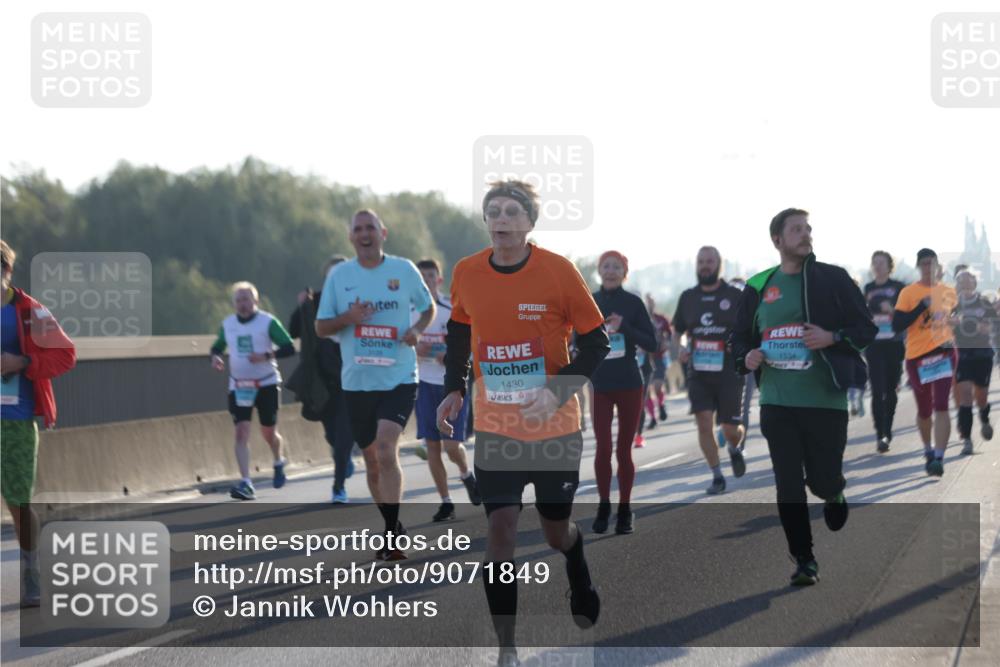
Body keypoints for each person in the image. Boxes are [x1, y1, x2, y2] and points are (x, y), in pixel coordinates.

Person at [437, 180, 608, 667]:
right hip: (497, 425)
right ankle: (507, 648)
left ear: (530, 222)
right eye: (495, 210)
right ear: (487, 220)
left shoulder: (558, 272)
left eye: (513, 211)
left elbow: (597, 345)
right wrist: (454, 387)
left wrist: (557, 390)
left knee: (555, 532)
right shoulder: (467, 272)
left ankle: (576, 564)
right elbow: (459, 330)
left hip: (555, 427)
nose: (503, 218)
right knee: (501, 533)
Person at [731, 208, 876, 586]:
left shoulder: (833, 279)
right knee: (788, 484)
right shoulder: (759, 285)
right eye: (796, 229)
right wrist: (746, 357)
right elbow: (740, 337)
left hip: (825, 399)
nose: (805, 234)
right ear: (777, 240)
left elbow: (866, 328)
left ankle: (834, 492)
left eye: (808, 228)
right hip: (778, 401)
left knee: (822, 479)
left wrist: (832, 337)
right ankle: (804, 559)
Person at [316, 209, 435, 561]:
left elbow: (426, 309)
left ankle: (392, 535)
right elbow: (321, 328)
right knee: (371, 462)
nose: (365, 234)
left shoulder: (403, 270)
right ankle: (391, 524)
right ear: (351, 237)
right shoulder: (341, 276)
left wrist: (416, 330)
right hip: (357, 382)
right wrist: (348, 319)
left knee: (386, 449)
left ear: (383, 233)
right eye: (358, 229)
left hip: (399, 376)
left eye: (371, 228)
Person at [1, 240, 76, 607]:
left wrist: (23, 364)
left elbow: (65, 355)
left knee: (17, 502)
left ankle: (32, 572)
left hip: (15, 420)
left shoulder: (30, 311)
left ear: (6, 272)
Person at [590, 250, 657, 534]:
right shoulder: (590, 301)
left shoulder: (632, 303)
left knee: (623, 450)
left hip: (630, 383)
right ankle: (604, 505)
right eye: (606, 266)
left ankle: (625, 509)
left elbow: (652, 343)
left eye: (616, 267)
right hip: (601, 384)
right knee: (603, 448)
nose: (610, 271)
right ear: (599, 270)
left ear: (624, 272)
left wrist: (624, 327)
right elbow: (576, 337)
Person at [672, 246, 747, 495]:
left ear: (719, 265)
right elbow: (678, 331)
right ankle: (717, 476)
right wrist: (680, 350)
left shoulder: (734, 296)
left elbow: (748, 329)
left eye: (710, 261)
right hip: (699, 372)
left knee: (730, 429)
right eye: (701, 261)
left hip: (729, 372)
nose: (705, 265)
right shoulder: (687, 297)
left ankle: (735, 449)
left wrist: (736, 345)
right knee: (704, 423)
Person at [210, 282, 296, 500]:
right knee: (241, 432)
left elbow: (289, 347)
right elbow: (217, 347)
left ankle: (278, 460)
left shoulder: (267, 322)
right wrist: (216, 358)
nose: (243, 304)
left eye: (247, 299)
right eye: (239, 300)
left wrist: (266, 356)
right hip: (239, 385)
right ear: (234, 304)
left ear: (255, 301)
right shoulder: (228, 324)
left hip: (266, 383)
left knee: (268, 432)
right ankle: (246, 483)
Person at [412, 258, 481, 521]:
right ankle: (446, 502)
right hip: (423, 383)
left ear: (439, 280)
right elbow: (399, 343)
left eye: (431, 276)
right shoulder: (409, 311)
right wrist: (412, 348)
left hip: (451, 385)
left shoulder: (449, 308)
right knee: (432, 446)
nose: (426, 281)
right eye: (422, 276)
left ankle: (466, 474)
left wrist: (449, 356)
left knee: (452, 446)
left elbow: (469, 341)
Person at [287, 256, 356, 503]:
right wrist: (300, 306)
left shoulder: (359, 299)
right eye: (332, 275)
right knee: (332, 434)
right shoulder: (314, 301)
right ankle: (343, 456)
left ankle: (338, 487)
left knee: (345, 433)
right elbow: (293, 330)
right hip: (322, 380)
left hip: (352, 377)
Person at [892, 248, 958, 477]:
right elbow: (897, 325)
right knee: (924, 410)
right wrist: (922, 305)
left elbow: (955, 316)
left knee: (941, 404)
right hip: (917, 357)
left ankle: (939, 457)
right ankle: (928, 449)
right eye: (924, 264)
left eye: (932, 263)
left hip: (944, 352)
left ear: (938, 266)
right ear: (919, 266)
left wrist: (955, 320)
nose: (929, 268)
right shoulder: (908, 293)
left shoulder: (949, 291)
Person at [863, 251, 907, 452]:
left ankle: (888, 429)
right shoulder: (868, 288)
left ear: (890, 266)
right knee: (877, 390)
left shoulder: (898, 287)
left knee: (890, 390)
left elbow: (905, 313)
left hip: (893, 343)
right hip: (874, 344)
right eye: (875, 263)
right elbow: (863, 311)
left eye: (881, 263)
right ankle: (880, 433)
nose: (878, 266)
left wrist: (892, 310)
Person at [951, 270, 995, 455]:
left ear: (975, 283)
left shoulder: (984, 303)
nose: (965, 283)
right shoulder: (952, 304)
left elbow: (987, 328)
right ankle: (967, 440)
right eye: (961, 280)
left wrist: (969, 324)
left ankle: (984, 418)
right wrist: (949, 322)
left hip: (982, 355)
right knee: (965, 396)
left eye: (968, 280)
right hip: (962, 355)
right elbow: (943, 324)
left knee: (981, 397)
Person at [644, 296, 672, 428]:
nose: (649, 305)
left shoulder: (661, 319)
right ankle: (653, 418)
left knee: (658, 386)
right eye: (647, 302)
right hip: (644, 358)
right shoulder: (639, 319)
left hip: (659, 357)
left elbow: (671, 335)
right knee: (647, 391)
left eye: (651, 302)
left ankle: (661, 405)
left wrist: (667, 343)